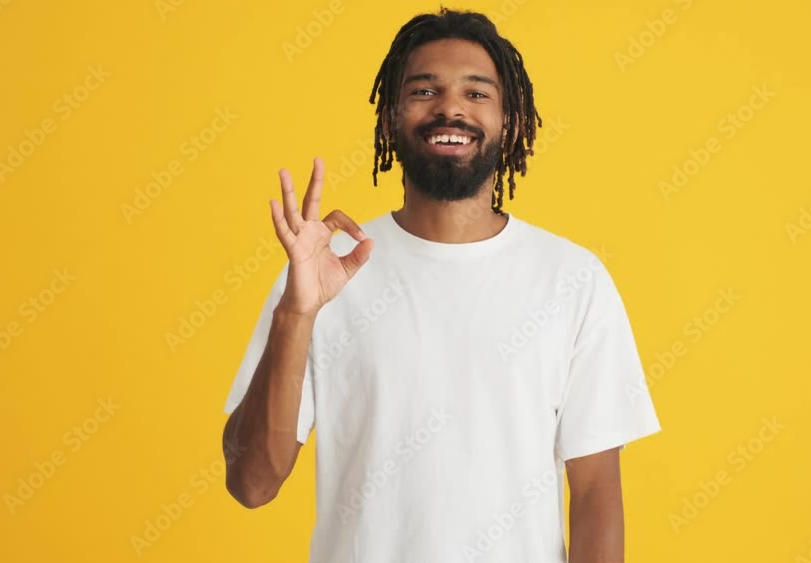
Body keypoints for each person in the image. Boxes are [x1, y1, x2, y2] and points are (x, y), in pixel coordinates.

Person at [221, 7, 661, 562]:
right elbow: (252, 484)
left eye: (476, 93)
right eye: (424, 91)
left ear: (511, 123)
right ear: (390, 120)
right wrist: (297, 313)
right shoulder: (322, 275)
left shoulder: (572, 278)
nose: (450, 108)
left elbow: (595, 491)